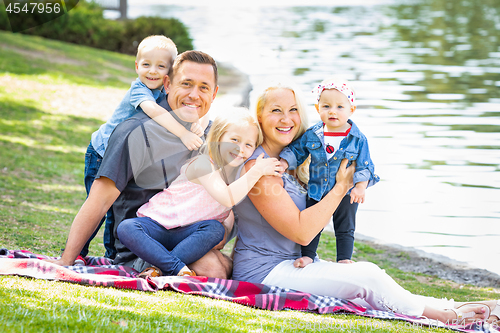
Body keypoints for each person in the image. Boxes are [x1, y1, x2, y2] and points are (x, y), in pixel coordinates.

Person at [231, 79, 500, 325]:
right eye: (276, 111)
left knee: (365, 282)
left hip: (291, 264)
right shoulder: (261, 169)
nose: (286, 119)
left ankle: (460, 306)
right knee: (366, 277)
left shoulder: (286, 162)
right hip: (264, 272)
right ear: (260, 117)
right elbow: (302, 231)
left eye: (293, 110)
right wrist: (341, 187)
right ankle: (448, 317)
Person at [46, 50, 232, 279]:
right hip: (140, 244)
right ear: (168, 84)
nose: (194, 95)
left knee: (220, 265)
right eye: (186, 84)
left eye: (203, 87)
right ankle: (160, 269)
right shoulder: (134, 132)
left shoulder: (213, 135)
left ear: (214, 94)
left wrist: (224, 230)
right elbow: (99, 201)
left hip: (191, 236)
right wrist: (67, 260)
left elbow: (228, 195)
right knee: (213, 269)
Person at [117, 109, 282, 277]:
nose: (240, 149)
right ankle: (173, 268)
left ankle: (159, 270)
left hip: (186, 236)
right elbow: (226, 198)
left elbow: (225, 211)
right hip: (158, 227)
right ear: (218, 139)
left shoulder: (234, 178)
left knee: (215, 229)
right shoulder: (203, 164)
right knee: (127, 228)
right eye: (234, 140)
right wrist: (256, 172)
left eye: (248, 144)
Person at [82, 35, 205, 260]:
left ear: (170, 73)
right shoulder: (140, 89)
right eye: (146, 64)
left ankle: (112, 256)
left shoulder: (162, 90)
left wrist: (194, 122)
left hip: (124, 155)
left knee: (115, 211)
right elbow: (156, 112)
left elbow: (178, 109)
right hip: (101, 152)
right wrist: (184, 134)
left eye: (161, 66)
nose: (152, 71)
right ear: (137, 66)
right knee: (100, 206)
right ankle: (79, 252)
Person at [280, 77, 379, 268]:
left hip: (346, 192)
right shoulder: (313, 134)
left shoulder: (357, 138)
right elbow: (298, 150)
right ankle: (308, 255)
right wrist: (284, 162)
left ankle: (343, 258)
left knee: (345, 226)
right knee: (312, 223)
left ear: (352, 110)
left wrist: (360, 187)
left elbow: (364, 164)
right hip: (317, 188)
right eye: (326, 106)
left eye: (340, 107)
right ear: (318, 109)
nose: (332, 111)